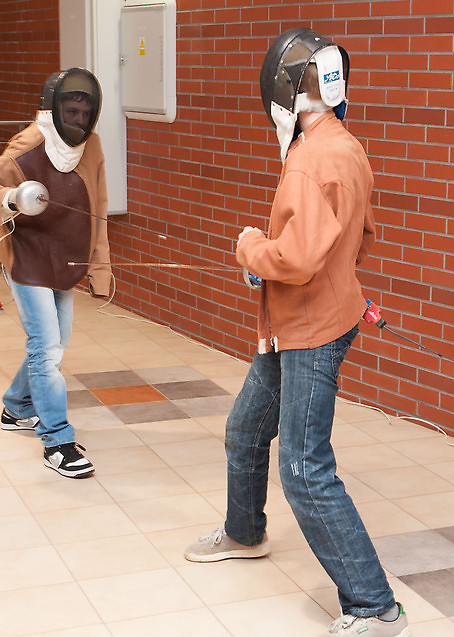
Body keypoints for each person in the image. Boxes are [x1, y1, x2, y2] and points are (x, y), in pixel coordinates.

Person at [184, 29, 410, 637]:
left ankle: (374, 606)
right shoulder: (345, 144)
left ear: (284, 93)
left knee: (305, 469)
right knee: (246, 429)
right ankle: (244, 532)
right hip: (302, 319)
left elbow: (298, 258)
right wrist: (283, 263)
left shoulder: (310, 160)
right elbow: (358, 237)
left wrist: (252, 249)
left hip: (312, 330)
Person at [0, 68, 111, 479]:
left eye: (85, 113)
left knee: (56, 342)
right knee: (46, 348)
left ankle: (16, 407)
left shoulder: (93, 146)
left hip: (64, 254)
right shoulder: (30, 142)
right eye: (71, 111)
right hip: (27, 255)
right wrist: (10, 197)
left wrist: (99, 267)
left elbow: (98, 207)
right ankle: (57, 441)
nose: (78, 120)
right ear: (53, 109)